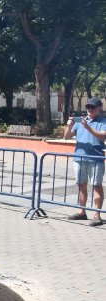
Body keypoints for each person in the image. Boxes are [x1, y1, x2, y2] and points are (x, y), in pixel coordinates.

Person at [63, 97, 106, 227]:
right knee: (81, 185)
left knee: (97, 186)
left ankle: (97, 215)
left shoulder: (103, 121)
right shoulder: (81, 121)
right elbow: (66, 137)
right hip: (79, 158)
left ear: (99, 108)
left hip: (96, 159)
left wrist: (87, 127)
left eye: (92, 107)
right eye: (88, 107)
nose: (89, 109)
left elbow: (103, 136)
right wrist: (69, 126)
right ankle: (82, 212)